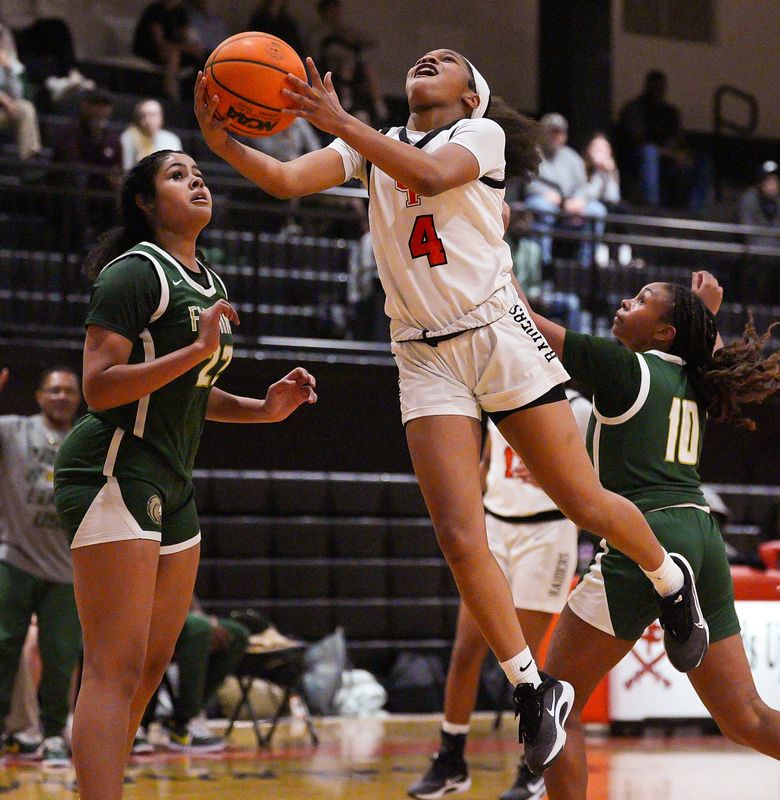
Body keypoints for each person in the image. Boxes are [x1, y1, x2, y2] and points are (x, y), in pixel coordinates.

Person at [195, 49, 708, 774]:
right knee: (458, 533)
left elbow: (430, 177)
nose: (428, 60)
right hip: (423, 352)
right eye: (422, 57)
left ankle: (670, 579)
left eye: (448, 61)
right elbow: (283, 180)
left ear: (472, 96)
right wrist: (223, 142)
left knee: (584, 501)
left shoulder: (479, 137)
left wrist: (343, 122)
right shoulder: (367, 146)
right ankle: (534, 690)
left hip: (498, 331)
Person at [52, 148, 318, 800]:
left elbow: (193, 391)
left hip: (173, 479)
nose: (196, 179)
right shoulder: (134, 273)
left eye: (197, 173)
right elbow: (100, 388)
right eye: (176, 175)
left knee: (149, 667)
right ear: (144, 203)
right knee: (112, 670)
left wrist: (264, 409)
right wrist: (197, 350)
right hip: (114, 464)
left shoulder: (211, 284)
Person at [514, 271, 780, 800]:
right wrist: (699, 317)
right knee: (745, 717)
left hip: (647, 536)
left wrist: (489, 246)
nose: (623, 302)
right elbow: (706, 350)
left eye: (640, 301)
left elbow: (526, 326)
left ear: (664, 334)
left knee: (555, 700)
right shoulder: (697, 377)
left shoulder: (623, 369)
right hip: (700, 533)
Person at [408, 388, 591, 800]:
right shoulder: (497, 393)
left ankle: (534, 768)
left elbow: (597, 479)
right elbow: (488, 462)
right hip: (495, 528)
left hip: (547, 532)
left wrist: (556, 473)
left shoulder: (577, 408)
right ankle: (451, 759)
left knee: (524, 657)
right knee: (465, 650)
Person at [0, 366, 83, 767]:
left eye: (70, 391)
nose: (62, 397)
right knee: (4, 647)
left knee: (61, 656)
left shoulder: (86, 440)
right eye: (54, 390)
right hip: (15, 557)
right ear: (38, 396)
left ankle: (52, 734)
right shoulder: (15, 429)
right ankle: (7, 731)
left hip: (67, 568)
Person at [133, 596, 249, 754]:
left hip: (169, 615)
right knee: (198, 628)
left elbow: (183, 586)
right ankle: (135, 724)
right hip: (134, 611)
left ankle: (183, 723)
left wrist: (202, 617)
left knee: (236, 634)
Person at [616, 70, 710, 213]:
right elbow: (640, 142)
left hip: (667, 160)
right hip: (637, 161)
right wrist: (673, 155)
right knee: (650, 153)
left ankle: (695, 209)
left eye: (661, 86)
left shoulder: (670, 112)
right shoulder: (635, 108)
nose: (659, 90)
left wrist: (684, 155)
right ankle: (651, 205)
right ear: (647, 86)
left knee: (703, 161)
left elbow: (680, 140)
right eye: (655, 86)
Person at [524, 113, 607, 267]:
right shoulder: (533, 153)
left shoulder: (571, 157)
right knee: (542, 207)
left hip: (569, 205)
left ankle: (586, 266)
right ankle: (544, 267)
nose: (555, 136)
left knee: (597, 211)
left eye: (559, 132)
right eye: (551, 131)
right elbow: (528, 182)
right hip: (545, 202)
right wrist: (544, 194)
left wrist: (578, 201)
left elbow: (583, 186)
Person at [312, 0, 387, 124]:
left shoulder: (343, 28)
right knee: (346, 61)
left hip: (351, 64)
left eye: (336, 9)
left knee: (366, 66)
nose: (334, 13)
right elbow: (317, 51)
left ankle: (379, 104)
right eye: (331, 10)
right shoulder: (318, 31)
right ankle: (346, 98)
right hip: (330, 65)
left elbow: (370, 41)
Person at [133, 0, 204, 101]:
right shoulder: (155, 10)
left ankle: (196, 96)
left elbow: (185, 35)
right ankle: (172, 93)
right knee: (173, 56)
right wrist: (184, 47)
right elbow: (160, 43)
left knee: (199, 54)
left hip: (174, 48)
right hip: (150, 50)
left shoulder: (180, 12)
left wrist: (192, 47)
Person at [737, 160, 780, 302]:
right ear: (760, 181)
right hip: (754, 255)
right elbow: (748, 231)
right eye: (768, 179)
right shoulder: (749, 198)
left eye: (775, 179)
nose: (772, 183)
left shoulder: (778, 201)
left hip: (775, 255)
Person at [0, 23, 41, 160]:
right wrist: (4, 100)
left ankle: (30, 161)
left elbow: (17, 95)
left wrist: (9, 70)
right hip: (4, 105)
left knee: (25, 108)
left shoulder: (7, 63)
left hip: (4, 112)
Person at [120, 98, 183, 172]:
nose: (148, 119)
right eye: (143, 116)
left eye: (152, 115)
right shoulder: (129, 136)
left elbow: (178, 167)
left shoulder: (172, 139)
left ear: (161, 117)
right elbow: (126, 168)